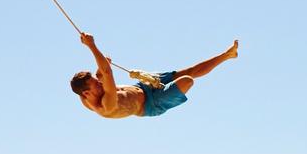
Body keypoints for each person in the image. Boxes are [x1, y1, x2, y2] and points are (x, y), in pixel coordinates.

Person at [71, 33, 238, 119]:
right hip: (153, 103)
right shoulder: (106, 106)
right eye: (96, 84)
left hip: (142, 87)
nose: (99, 83)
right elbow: (106, 72)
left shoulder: (84, 92)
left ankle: (227, 55)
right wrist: (91, 45)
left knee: (189, 71)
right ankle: (226, 56)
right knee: (187, 81)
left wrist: (101, 67)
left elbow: (101, 73)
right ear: (87, 93)